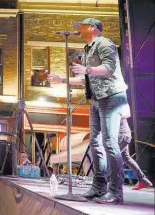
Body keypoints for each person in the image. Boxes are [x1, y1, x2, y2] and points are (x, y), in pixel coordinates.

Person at [48, 18, 128, 204]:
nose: (79, 30)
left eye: (82, 27)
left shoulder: (105, 43)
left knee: (109, 143)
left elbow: (109, 69)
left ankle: (116, 191)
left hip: (111, 97)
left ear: (93, 28)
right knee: (95, 143)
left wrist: (87, 68)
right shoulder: (87, 49)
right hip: (97, 100)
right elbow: (86, 79)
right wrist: (63, 80)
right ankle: (99, 186)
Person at [117, 105, 153, 190]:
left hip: (121, 135)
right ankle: (143, 180)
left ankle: (112, 184)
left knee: (112, 158)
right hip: (123, 134)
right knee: (126, 158)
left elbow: (127, 114)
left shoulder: (118, 100)